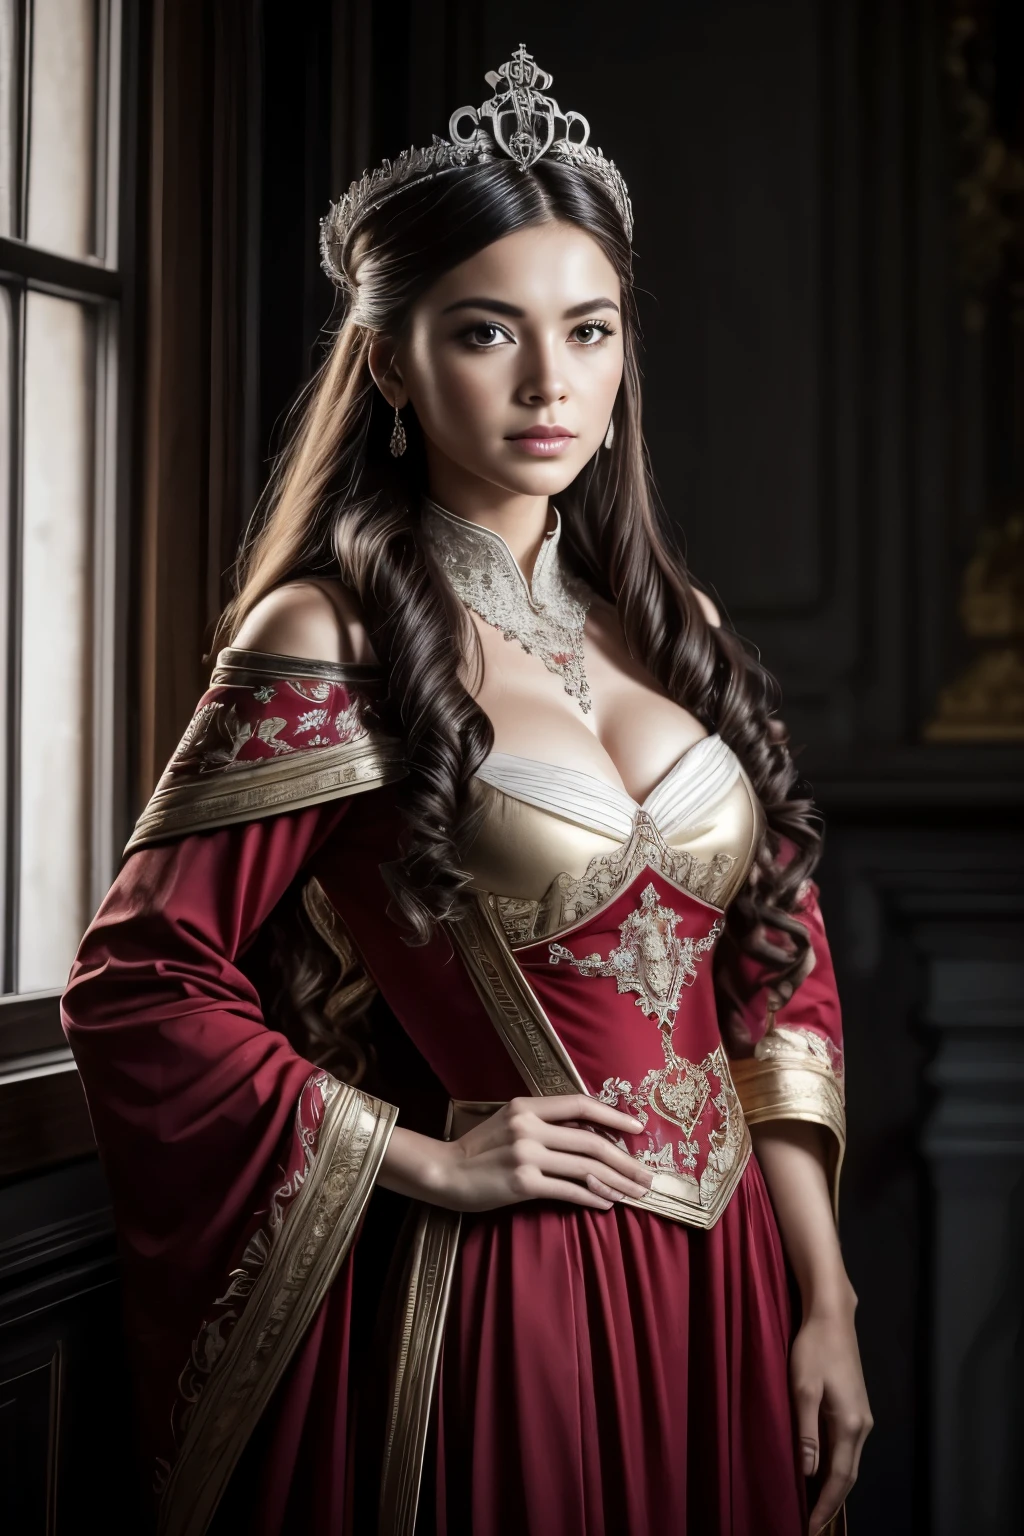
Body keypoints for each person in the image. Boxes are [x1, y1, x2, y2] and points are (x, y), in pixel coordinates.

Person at [62, 45, 871, 1536]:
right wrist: (418, 1155)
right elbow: (140, 980)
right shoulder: (330, 633)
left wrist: (824, 1295)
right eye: (489, 332)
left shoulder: (667, 622)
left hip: (735, 1274)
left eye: (590, 330)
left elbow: (769, 964)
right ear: (388, 360)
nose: (551, 383)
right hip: (523, 1286)